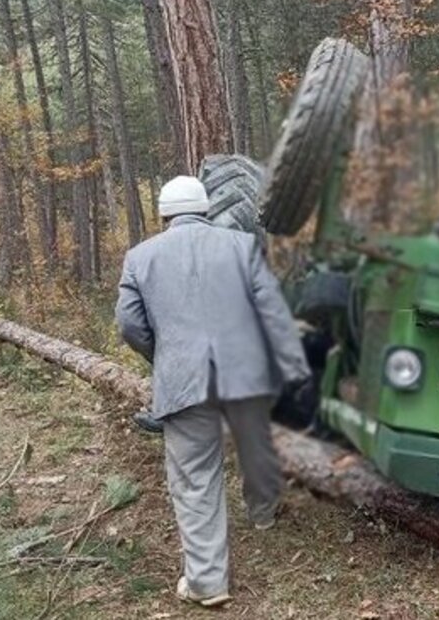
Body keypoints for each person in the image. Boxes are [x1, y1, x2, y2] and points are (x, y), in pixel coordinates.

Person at [115, 175, 310, 607]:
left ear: (165, 213)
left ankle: (207, 583)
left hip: (185, 382)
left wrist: (164, 355)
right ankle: (262, 514)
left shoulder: (140, 257)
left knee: (196, 477)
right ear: (205, 208)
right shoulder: (242, 246)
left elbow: (129, 323)